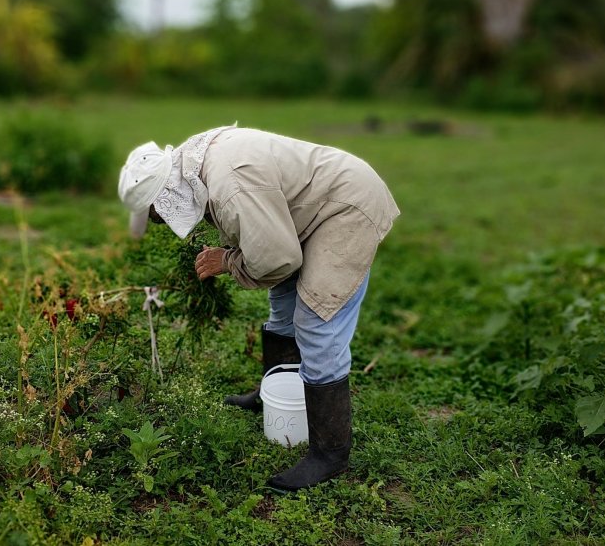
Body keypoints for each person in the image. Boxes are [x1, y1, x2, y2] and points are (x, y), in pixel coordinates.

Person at [117, 125, 399, 491]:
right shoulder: (188, 163)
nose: (159, 222)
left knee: (316, 317)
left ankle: (330, 454)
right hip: (307, 207)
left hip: (346, 207)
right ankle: (276, 389)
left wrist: (228, 260)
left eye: (156, 215)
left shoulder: (229, 186)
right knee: (283, 305)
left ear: (167, 195)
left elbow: (277, 259)